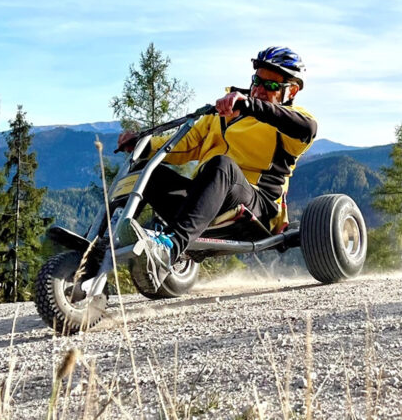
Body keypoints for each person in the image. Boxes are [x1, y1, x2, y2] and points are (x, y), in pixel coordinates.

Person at [116, 46, 318, 270]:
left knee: (222, 165)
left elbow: (307, 128)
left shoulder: (288, 122)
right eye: (257, 81)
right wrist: (143, 146)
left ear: (292, 92)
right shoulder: (220, 115)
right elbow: (184, 145)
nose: (260, 90)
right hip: (204, 198)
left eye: (271, 86)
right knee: (147, 171)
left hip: (257, 207)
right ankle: (96, 246)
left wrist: (247, 104)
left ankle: (170, 248)